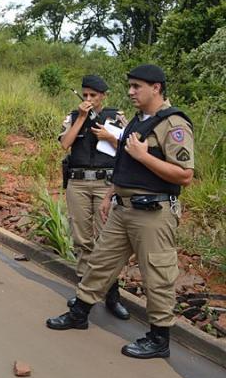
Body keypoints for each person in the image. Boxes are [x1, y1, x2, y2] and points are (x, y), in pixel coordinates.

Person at [46, 64, 195, 359]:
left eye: (136, 86)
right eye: (130, 86)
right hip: (122, 207)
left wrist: (143, 156)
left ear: (156, 88)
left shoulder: (173, 124)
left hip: (153, 211)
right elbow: (125, 163)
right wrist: (112, 193)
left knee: (157, 273)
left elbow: (184, 175)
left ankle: (159, 337)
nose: (130, 92)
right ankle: (80, 312)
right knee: (100, 261)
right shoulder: (138, 122)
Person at [58, 75, 129, 320]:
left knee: (107, 241)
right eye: (85, 94)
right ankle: (83, 293)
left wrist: (110, 137)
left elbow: (132, 148)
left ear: (103, 96)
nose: (88, 99)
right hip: (78, 182)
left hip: (105, 184)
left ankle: (112, 295)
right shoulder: (72, 116)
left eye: (93, 95)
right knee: (82, 239)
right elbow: (65, 144)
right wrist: (80, 118)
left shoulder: (115, 117)